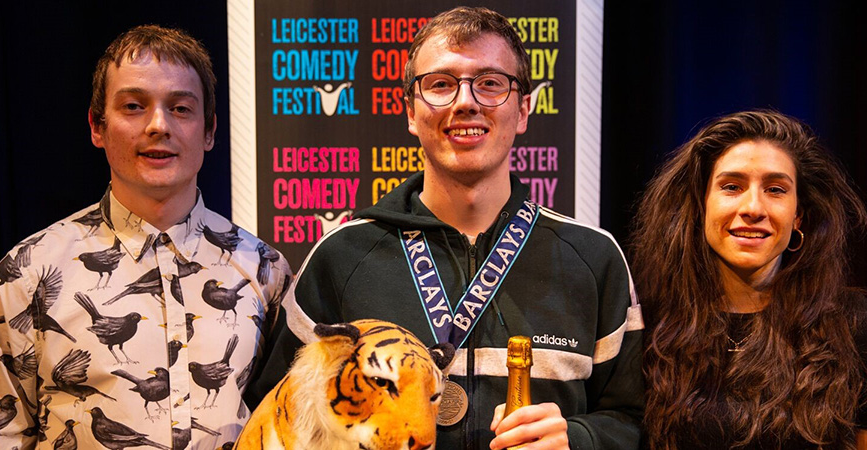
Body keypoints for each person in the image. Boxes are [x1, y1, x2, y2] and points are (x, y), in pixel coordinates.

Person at [246, 6, 643, 450]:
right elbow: (277, 419)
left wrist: (579, 438)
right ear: (412, 113)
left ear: (524, 110)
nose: (465, 101)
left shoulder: (592, 258)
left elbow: (637, 420)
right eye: (441, 85)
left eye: (491, 83)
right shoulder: (342, 257)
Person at [0, 25, 290, 449]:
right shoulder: (26, 275)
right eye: (133, 106)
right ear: (97, 126)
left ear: (209, 131)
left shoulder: (265, 270)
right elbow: (3, 432)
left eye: (181, 108)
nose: (158, 125)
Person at [630, 110, 867, 449]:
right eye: (732, 186)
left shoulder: (860, 326)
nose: (753, 207)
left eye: (776, 189)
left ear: (798, 216)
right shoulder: (647, 322)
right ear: (701, 205)